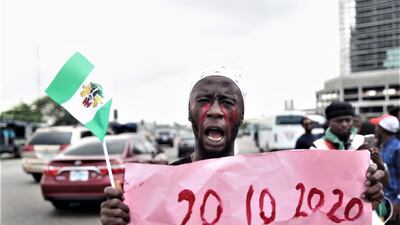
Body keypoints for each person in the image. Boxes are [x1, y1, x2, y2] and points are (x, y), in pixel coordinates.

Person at [100, 72, 384, 225]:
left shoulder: (276, 182)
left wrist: (358, 191)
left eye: (227, 102)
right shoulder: (158, 190)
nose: (214, 111)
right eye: (203, 101)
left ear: (241, 117)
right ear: (189, 114)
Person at [373, 115, 400, 224]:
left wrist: (398, 201)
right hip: (384, 200)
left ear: (382, 129)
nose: (375, 128)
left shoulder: (397, 148)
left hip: (394, 202)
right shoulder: (382, 146)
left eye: (377, 126)